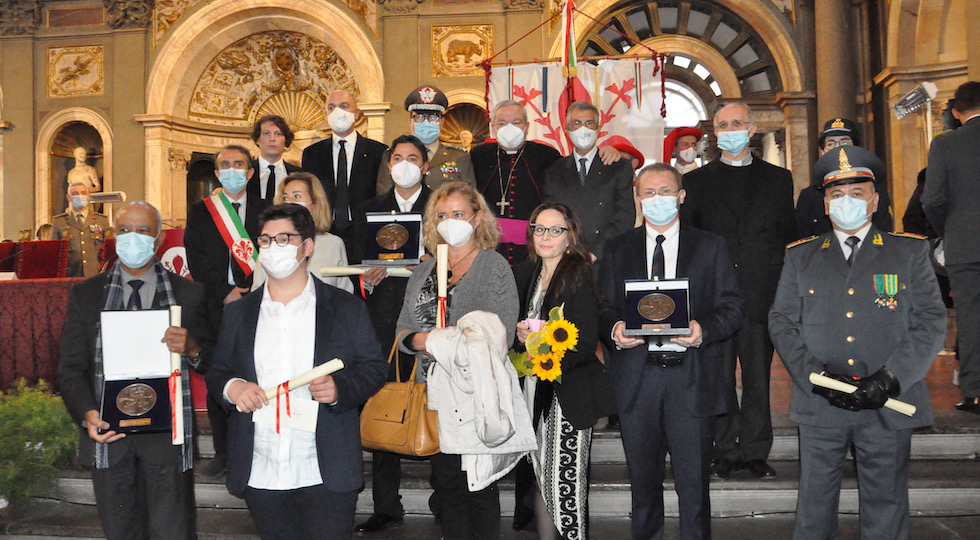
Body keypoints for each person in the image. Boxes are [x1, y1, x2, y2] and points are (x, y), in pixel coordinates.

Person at [769, 144, 946, 539]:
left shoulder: (909, 252)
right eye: (836, 194)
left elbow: (931, 321)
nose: (846, 201)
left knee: (886, 504)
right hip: (821, 404)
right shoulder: (801, 257)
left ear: (874, 200)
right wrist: (817, 379)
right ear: (826, 204)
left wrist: (889, 379)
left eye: (856, 193)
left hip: (886, 401)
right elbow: (781, 322)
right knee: (814, 506)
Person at [206, 203, 388, 539]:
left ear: (307, 247)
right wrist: (233, 388)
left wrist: (340, 389)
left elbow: (375, 368)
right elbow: (218, 371)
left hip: (323, 465)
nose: (272, 248)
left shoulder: (345, 307)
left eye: (284, 239)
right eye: (265, 240)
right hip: (261, 464)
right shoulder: (239, 313)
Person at [598, 163, 745, 539]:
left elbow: (732, 307)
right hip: (637, 381)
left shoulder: (710, 246)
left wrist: (702, 330)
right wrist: (614, 329)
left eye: (665, 191)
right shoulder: (617, 248)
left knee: (694, 490)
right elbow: (604, 307)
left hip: (691, 380)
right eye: (648, 193)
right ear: (638, 199)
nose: (657, 200)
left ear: (681, 196)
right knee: (643, 489)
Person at [56, 200, 214, 539]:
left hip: (167, 439)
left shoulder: (188, 294)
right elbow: (70, 368)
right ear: (114, 235)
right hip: (109, 435)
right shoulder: (86, 295)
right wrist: (88, 414)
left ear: (158, 239)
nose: (133, 238)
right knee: (121, 531)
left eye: (143, 231)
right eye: (125, 230)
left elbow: (212, 361)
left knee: (173, 532)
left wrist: (192, 348)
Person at [395, 182, 521, 539]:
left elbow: (501, 335)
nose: (450, 222)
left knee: (477, 486)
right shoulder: (424, 270)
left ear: (477, 218)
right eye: (443, 215)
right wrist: (422, 341)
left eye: (459, 214)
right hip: (433, 394)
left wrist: (441, 343)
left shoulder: (493, 266)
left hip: (476, 394)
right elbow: (402, 331)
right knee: (446, 485)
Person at [680, 102, 796, 480]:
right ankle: (726, 450)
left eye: (737, 123)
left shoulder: (779, 179)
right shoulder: (696, 181)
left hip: (762, 293)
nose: (730, 130)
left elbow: (787, 237)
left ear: (751, 128)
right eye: (723, 125)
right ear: (715, 133)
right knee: (721, 379)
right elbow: (690, 242)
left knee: (758, 378)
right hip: (715, 299)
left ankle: (756, 450)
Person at [512, 203, 616, 539]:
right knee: (543, 481)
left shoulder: (579, 274)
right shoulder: (528, 274)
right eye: (539, 229)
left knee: (564, 487)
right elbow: (517, 333)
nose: (546, 236)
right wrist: (521, 337)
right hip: (534, 391)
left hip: (567, 395)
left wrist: (546, 346)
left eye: (555, 230)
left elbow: (584, 341)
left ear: (569, 236)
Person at [352, 135, 434, 534]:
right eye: (397, 157)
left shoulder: (441, 205)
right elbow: (356, 266)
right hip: (384, 321)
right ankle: (386, 505)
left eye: (412, 158)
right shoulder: (368, 210)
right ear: (388, 165)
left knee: (437, 402)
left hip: (432, 319)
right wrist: (367, 278)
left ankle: (444, 496)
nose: (404, 164)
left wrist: (432, 262)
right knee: (385, 402)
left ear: (425, 166)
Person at [184, 144, 262, 479]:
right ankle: (223, 452)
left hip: (259, 302)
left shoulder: (266, 208)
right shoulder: (201, 211)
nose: (232, 170)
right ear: (217, 174)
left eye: (239, 164)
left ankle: (256, 449)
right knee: (220, 373)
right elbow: (196, 258)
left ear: (250, 172)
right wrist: (225, 292)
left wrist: (254, 292)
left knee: (256, 372)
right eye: (225, 165)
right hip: (216, 304)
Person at [474, 100, 624, 264]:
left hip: (533, 252)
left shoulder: (546, 155)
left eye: (516, 122)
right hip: (487, 249)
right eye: (502, 123)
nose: (509, 128)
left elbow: (578, 173)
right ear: (493, 127)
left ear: (527, 126)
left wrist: (607, 151)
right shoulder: (478, 156)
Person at [922, 80, 980, 413]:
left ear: (956, 112)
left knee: (971, 318)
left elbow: (932, 199)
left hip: (964, 244)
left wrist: (948, 229)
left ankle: (974, 391)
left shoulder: (945, 144)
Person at [542, 101, 635, 260]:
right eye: (577, 123)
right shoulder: (554, 170)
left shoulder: (618, 166)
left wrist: (594, 253)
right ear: (567, 130)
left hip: (606, 257)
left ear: (598, 129)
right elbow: (550, 215)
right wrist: (567, 251)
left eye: (589, 123)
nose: (583, 129)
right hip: (566, 257)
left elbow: (625, 217)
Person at [302, 89, 388, 258]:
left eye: (344, 106)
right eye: (331, 107)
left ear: (356, 113)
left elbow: (382, 194)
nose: (337, 112)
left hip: (365, 232)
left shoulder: (378, 151)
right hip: (324, 233)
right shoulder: (312, 154)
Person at [250, 172, 353, 294]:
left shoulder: (333, 244)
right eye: (285, 197)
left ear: (315, 203)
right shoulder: (271, 241)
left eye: (297, 196)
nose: (289, 202)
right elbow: (257, 289)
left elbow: (344, 291)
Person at [795, 118, 893, 237]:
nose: (838, 148)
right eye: (830, 144)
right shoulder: (809, 196)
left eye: (845, 142)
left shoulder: (874, 190)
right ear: (822, 151)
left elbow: (884, 231)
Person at [377, 85, 476, 194]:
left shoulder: (460, 158)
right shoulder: (391, 157)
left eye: (433, 117)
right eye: (419, 117)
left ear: (442, 123)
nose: (426, 122)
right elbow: (384, 196)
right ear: (410, 123)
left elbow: (470, 198)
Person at [52, 181, 110, 277]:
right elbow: (54, 253)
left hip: (95, 275)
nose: (79, 196)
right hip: (70, 276)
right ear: (68, 197)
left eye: (83, 193)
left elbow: (107, 251)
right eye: (75, 193)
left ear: (88, 197)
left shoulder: (101, 221)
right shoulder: (59, 222)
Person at [247, 114, 303, 205]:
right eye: (266, 133)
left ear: (285, 140)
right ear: (257, 139)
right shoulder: (245, 173)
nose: (272, 139)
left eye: (278, 134)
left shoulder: (299, 175)